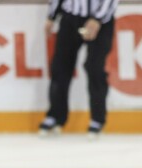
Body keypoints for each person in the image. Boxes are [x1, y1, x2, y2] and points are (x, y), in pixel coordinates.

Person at [39, 0, 119, 138]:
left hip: (101, 22)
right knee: (60, 67)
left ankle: (97, 119)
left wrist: (97, 19)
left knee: (94, 68)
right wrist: (51, 16)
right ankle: (56, 116)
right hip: (71, 18)